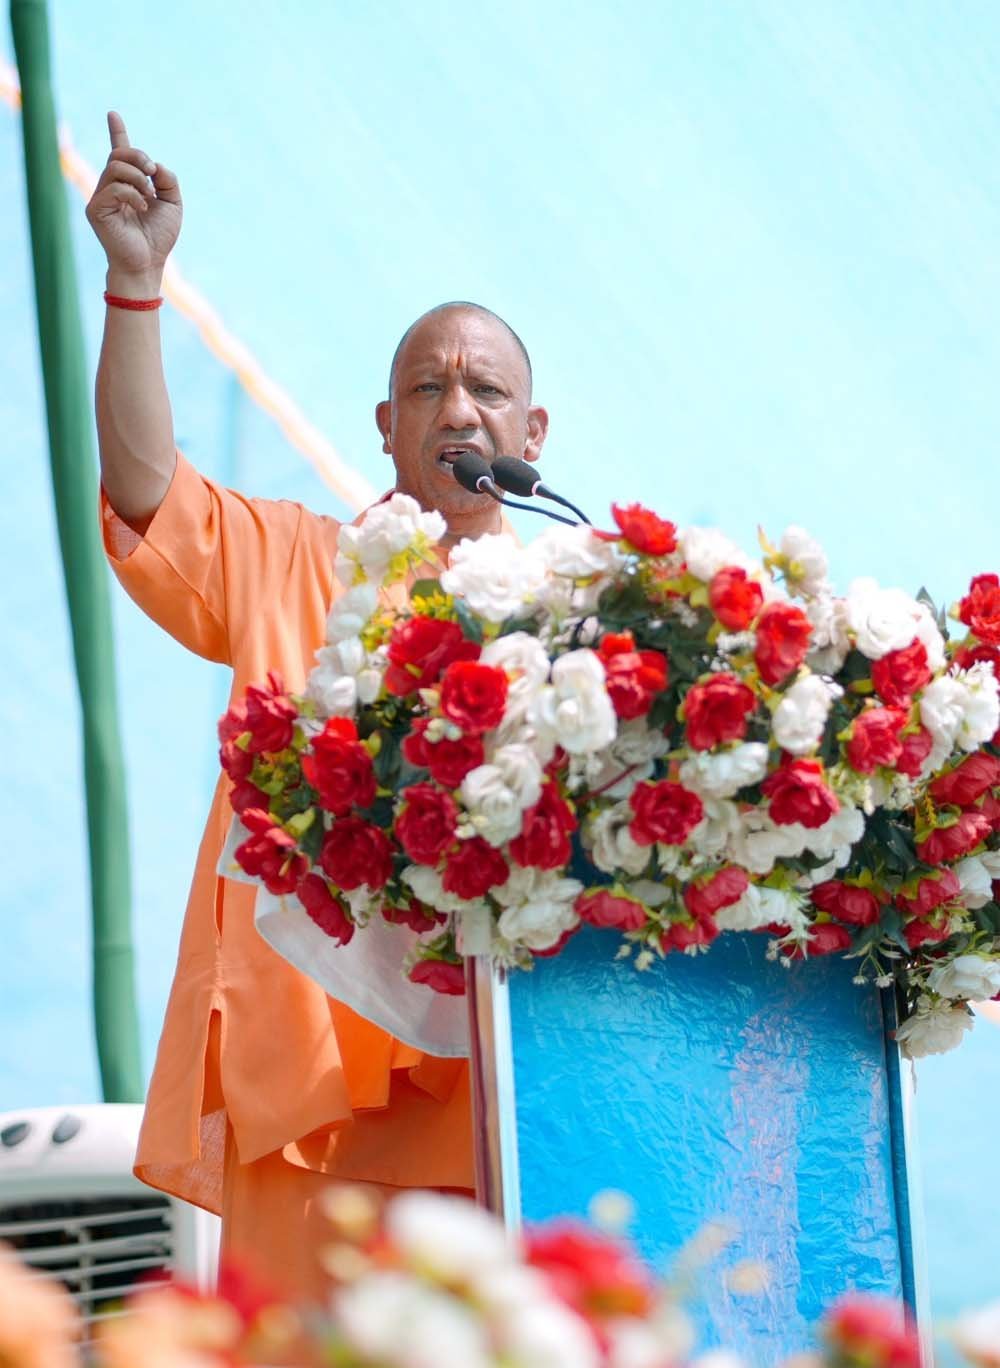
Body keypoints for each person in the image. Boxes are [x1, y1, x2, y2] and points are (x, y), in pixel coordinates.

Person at [85, 111, 549, 1298]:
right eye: (427, 388)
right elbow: (145, 488)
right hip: (310, 1079)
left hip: (517, 1076)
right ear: (386, 427)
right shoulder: (297, 562)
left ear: (532, 433)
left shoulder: (584, 621)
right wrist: (136, 287)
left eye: (486, 390)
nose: (459, 411)